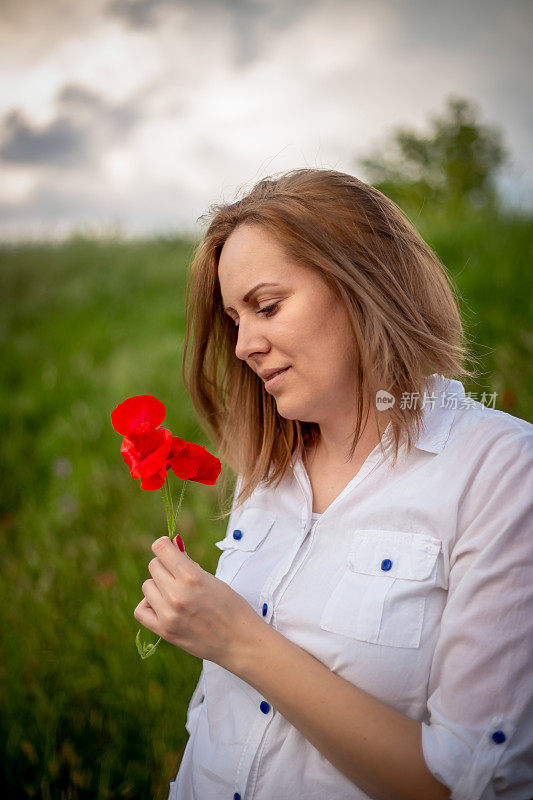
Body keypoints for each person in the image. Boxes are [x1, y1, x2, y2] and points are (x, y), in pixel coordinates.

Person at [134, 169, 533, 800]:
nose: (242, 345)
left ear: (362, 284)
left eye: (267, 307)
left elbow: (466, 785)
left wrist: (237, 639)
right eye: (235, 319)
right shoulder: (267, 471)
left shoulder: (499, 470)